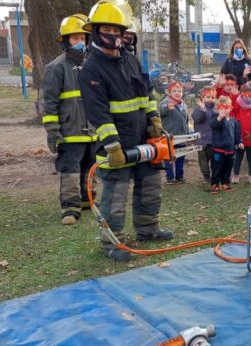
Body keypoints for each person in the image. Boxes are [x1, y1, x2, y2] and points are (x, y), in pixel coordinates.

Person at [79, 2, 173, 262]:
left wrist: (154, 118)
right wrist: (113, 146)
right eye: (107, 28)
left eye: (117, 29)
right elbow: (98, 113)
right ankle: (112, 243)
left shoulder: (130, 59)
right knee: (115, 196)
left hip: (143, 140)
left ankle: (148, 229)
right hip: (115, 147)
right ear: (96, 31)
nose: (113, 34)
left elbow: (146, 93)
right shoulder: (91, 70)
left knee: (151, 187)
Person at [41, 14, 94, 226]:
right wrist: (53, 131)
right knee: (70, 169)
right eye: (74, 38)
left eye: (82, 38)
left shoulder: (92, 65)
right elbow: (50, 103)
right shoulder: (56, 67)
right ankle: (70, 208)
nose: (80, 42)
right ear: (66, 40)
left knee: (90, 167)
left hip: (92, 130)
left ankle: (87, 199)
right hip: (70, 130)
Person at [210, 96, 244, 194]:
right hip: (218, 150)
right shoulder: (216, 118)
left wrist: (240, 142)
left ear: (231, 108)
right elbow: (213, 126)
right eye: (222, 108)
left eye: (227, 107)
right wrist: (220, 117)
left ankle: (225, 183)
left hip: (230, 150)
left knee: (227, 168)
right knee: (216, 167)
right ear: (218, 109)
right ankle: (215, 184)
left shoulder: (234, 121)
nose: (224, 110)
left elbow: (237, 134)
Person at [231, 86, 251, 184]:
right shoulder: (238, 106)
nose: (247, 97)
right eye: (245, 95)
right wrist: (233, 95)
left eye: (250, 95)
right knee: (238, 157)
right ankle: (236, 175)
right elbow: (231, 109)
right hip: (239, 138)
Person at [159, 82, 188, 184]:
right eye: (174, 91)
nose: (177, 93)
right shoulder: (165, 102)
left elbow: (186, 120)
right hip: (169, 136)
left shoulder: (183, 104)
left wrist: (187, 133)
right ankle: (170, 177)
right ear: (169, 92)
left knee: (181, 156)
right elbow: (161, 111)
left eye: (179, 91)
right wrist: (167, 108)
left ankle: (179, 176)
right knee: (168, 158)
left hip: (182, 136)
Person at [192, 87, 218, 183]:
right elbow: (198, 119)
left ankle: (214, 173)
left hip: (213, 140)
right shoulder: (198, 109)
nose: (210, 99)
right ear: (202, 98)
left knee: (215, 159)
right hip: (202, 140)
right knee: (203, 160)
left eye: (213, 97)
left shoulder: (215, 110)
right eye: (208, 97)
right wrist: (202, 109)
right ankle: (206, 176)